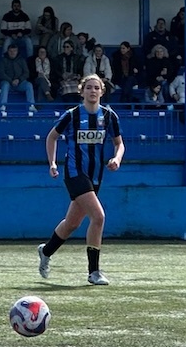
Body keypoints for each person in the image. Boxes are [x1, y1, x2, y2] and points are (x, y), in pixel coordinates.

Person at [37, 74, 124, 286]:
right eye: (88, 88)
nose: (92, 91)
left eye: (96, 88)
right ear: (82, 91)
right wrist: (52, 163)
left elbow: (119, 143)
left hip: (95, 175)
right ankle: (94, 271)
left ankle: (46, 251)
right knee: (99, 216)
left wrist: (117, 158)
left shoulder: (109, 116)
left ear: (102, 91)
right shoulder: (72, 115)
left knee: (72, 223)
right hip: (75, 173)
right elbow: (52, 137)